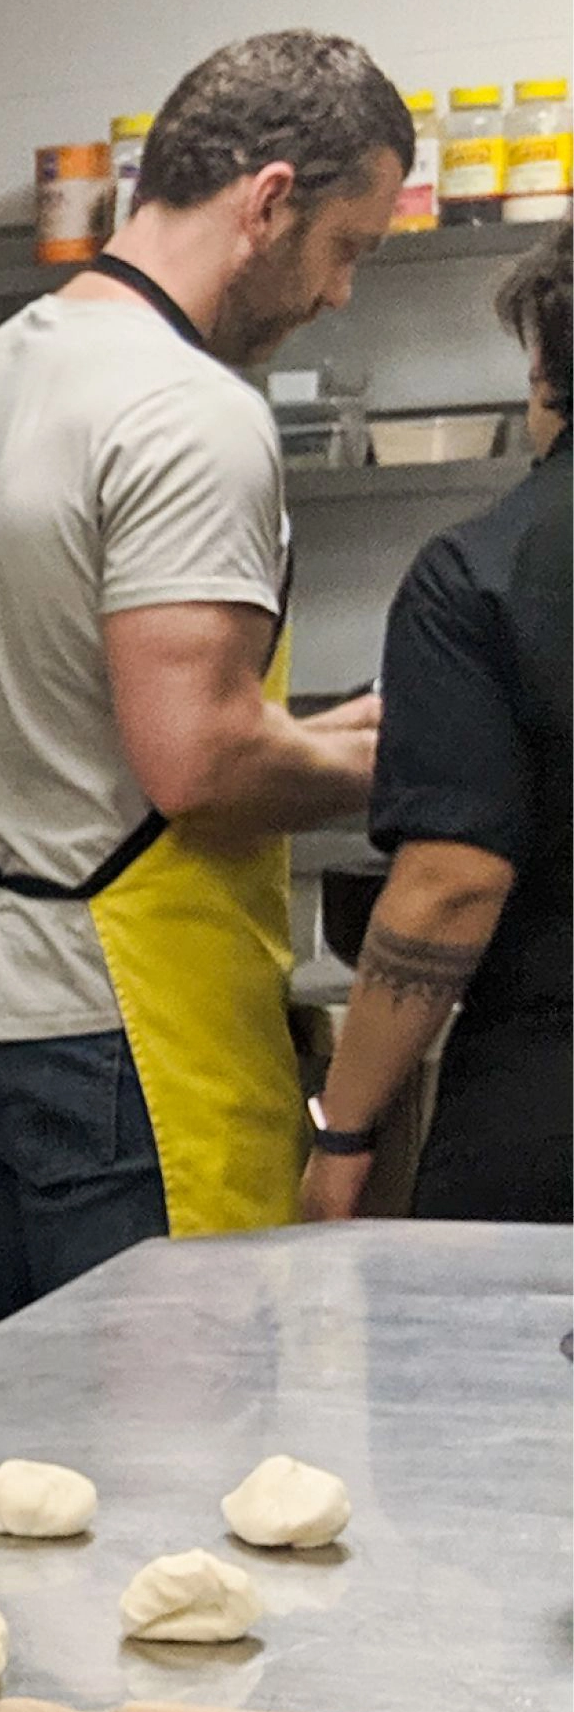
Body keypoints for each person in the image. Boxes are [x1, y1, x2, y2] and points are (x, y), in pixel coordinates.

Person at [0, 31, 402, 1339]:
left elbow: (88, 712)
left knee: (22, 1427)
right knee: (175, 1439)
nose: (340, 293)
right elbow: (194, 762)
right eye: (345, 247)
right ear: (267, 199)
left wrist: (299, 730)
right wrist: (393, 761)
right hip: (121, 1029)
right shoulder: (187, 409)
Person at [301, 221, 571, 1227]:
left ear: (543, 371)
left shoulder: (480, 573)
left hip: (544, 1108)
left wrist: (342, 1131)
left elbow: (452, 881)